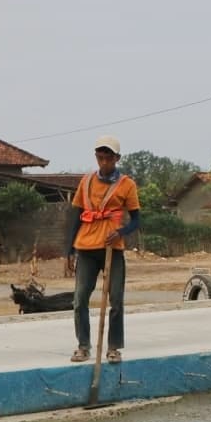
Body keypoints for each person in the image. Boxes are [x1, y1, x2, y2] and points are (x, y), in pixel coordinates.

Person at [67, 135, 141, 364]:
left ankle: (113, 348)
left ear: (117, 158)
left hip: (112, 249)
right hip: (86, 248)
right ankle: (83, 345)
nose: (104, 162)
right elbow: (75, 216)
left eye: (109, 157)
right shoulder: (86, 182)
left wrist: (120, 232)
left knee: (116, 300)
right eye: (100, 157)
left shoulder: (127, 184)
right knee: (79, 300)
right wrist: (69, 250)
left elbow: (136, 220)